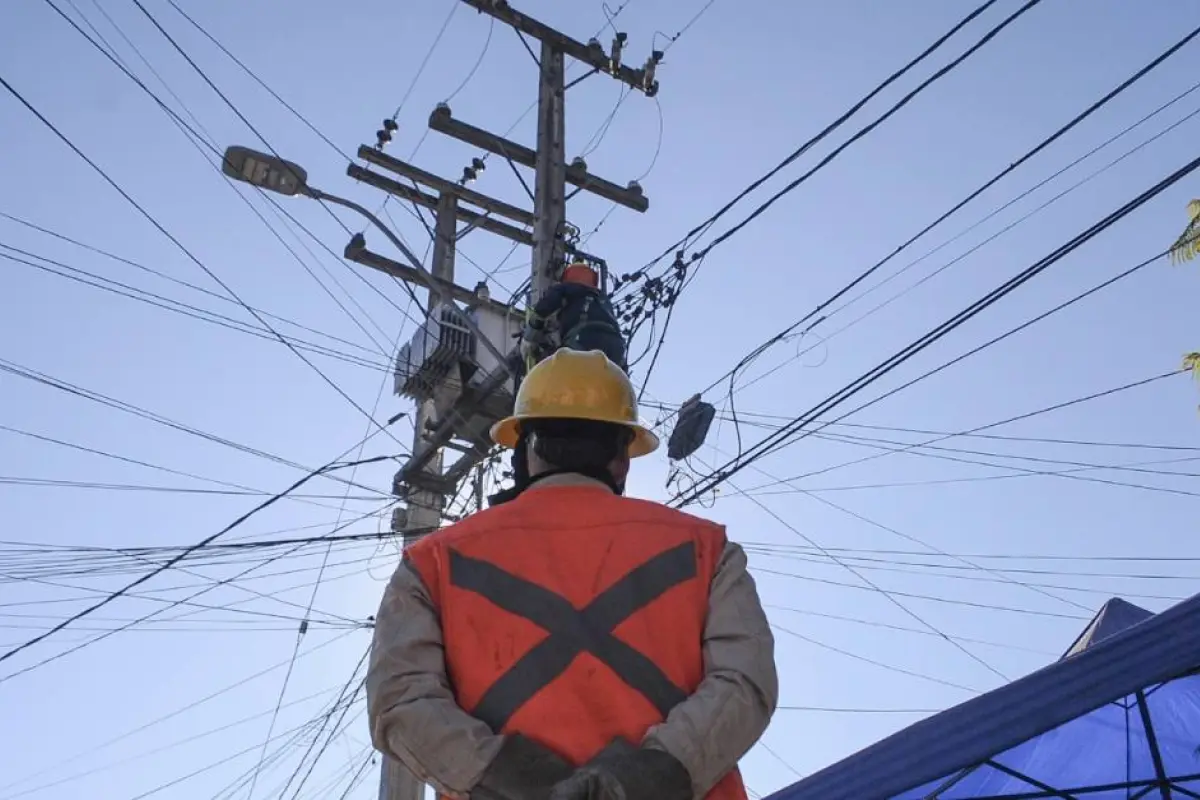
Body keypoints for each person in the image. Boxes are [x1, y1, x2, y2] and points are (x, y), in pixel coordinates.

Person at [366, 349, 778, 800]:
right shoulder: (708, 550)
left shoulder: (431, 563)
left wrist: (519, 781)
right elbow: (744, 682)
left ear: (525, 452)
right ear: (622, 458)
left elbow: (401, 701)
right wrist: (646, 777)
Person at [521, 263, 628, 372]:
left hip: (584, 339)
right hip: (617, 347)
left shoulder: (566, 288)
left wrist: (529, 336)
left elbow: (545, 307)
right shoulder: (604, 301)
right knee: (610, 380)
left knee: (562, 375)